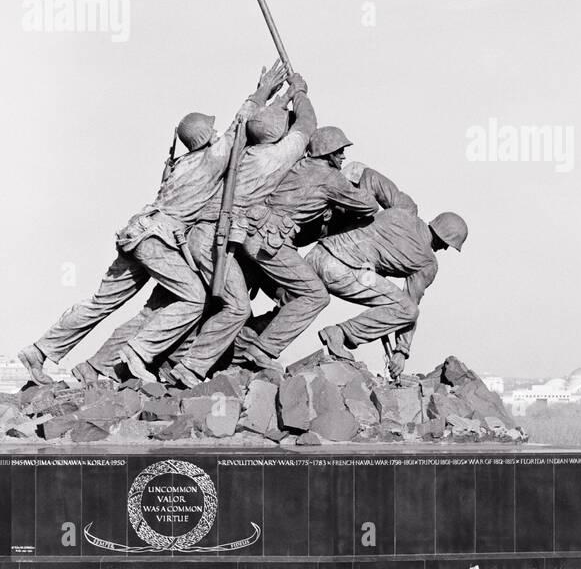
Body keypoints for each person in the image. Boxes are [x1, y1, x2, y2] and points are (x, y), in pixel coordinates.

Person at [18, 64, 284, 386]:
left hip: (137, 234)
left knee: (103, 303)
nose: (217, 134)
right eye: (211, 132)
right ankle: (137, 353)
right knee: (194, 298)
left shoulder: (181, 164)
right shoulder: (209, 161)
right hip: (156, 241)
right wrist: (263, 92)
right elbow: (238, 128)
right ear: (204, 138)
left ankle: (41, 351)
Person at [163, 72, 324, 384]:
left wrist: (273, 95)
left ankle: (184, 360)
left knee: (219, 300)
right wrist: (300, 93)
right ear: (279, 135)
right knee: (237, 306)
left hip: (206, 234)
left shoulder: (238, 149)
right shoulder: (277, 156)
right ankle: (190, 367)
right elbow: (308, 126)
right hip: (213, 238)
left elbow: (244, 121)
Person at [308, 207, 468, 380]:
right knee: (408, 310)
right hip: (340, 269)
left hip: (317, 254)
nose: (444, 249)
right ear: (443, 238)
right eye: (447, 244)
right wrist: (401, 351)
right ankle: (340, 333)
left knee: (387, 299)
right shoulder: (428, 263)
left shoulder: (400, 212)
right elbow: (409, 305)